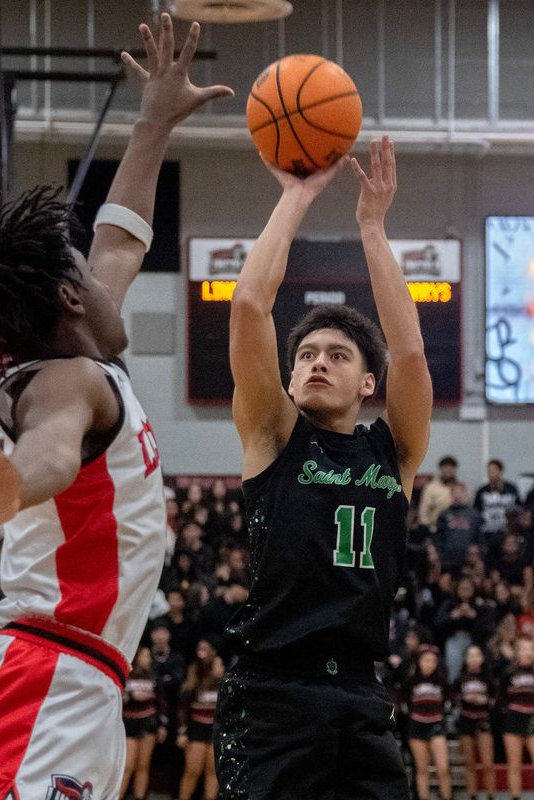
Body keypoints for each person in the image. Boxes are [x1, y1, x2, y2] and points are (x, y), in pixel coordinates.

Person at [0, 14, 232, 800]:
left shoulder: (81, 353)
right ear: (65, 296)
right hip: (43, 679)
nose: (101, 272)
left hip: (74, 681)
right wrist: (11, 485)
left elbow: (119, 242)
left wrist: (151, 121)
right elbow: (51, 450)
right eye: (82, 271)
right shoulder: (63, 384)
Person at [215, 137, 432, 799]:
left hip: (362, 694)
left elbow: (411, 353)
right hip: (273, 691)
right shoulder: (273, 435)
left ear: (368, 383)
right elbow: (250, 304)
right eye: (306, 353)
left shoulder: (389, 452)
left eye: (336, 356)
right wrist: (294, 196)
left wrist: (372, 227)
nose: (315, 362)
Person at [120, 646, 167, 800]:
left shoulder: (153, 677)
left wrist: (162, 725)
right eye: (145, 656)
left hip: (149, 723)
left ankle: (139, 796)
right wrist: (131, 695)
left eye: (149, 656)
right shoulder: (125, 675)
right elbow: (118, 697)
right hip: (129, 723)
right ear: (136, 656)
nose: (148, 659)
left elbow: (161, 702)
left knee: (143, 766)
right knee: (127, 767)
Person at [404, 645, 451, 800]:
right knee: (422, 769)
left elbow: (448, 698)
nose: (429, 664)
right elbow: (404, 699)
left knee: (443, 768)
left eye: (433, 661)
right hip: (417, 725)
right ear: (419, 662)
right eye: (426, 660)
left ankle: (446, 796)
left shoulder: (441, 681)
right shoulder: (411, 681)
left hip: (437, 724)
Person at [178, 642, 223, 800]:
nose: (222, 667)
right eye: (218, 664)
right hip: (197, 730)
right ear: (210, 667)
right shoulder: (194, 684)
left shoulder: (224, 686)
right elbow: (183, 711)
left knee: (212, 772)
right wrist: (182, 732)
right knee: (192, 771)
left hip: (215, 731)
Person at [453, 644, 496, 800]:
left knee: (487, 764)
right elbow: (454, 699)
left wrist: (483, 700)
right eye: (470, 655)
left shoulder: (488, 678)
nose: (473, 658)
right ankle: (472, 795)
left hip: (483, 720)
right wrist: (465, 700)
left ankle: (491, 795)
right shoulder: (460, 679)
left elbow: (494, 700)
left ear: (482, 658)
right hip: (465, 721)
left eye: (477, 655)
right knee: (469, 764)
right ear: (465, 659)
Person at [500, 637, 534, 800]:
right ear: (517, 652)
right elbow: (500, 698)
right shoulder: (508, 673)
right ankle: (515, 797)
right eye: (523, 649)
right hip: (513, 721)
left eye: (530, 649)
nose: (527, 652)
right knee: (514, 766)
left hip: (533, 720)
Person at [474, 458, 521, 550]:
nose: (491, 473)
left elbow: (518, 509)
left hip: (506, 533)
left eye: (493, 470)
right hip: (487, 532)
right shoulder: (482, 491)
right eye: (489, 471)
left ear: (500, 471)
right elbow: (476, 512)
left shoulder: (511, 489)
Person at [418, 456, 458, 534]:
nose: (449, 471)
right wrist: (428, 529)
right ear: (440, 470)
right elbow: (423, 511)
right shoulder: (431, 487)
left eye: (451, 468)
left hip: (457, 532)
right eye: (446, 468)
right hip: (436, 531)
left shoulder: (461, 488)